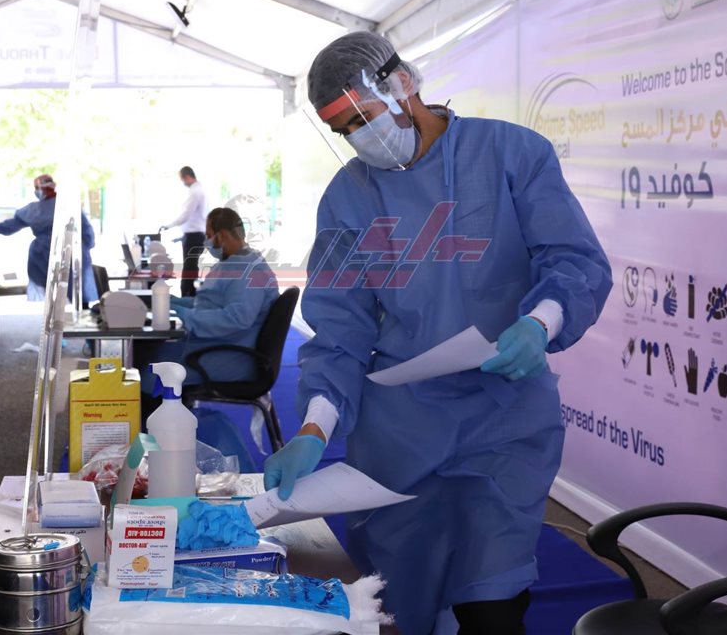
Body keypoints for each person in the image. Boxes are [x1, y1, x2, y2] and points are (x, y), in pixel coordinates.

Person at [263, 32, 612, 635]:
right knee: (401, 600)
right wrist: (314, 428)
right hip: (401, 430)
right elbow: (340, 324)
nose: (359, 137)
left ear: (402, 84)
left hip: (503, 420)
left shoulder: (510, 153)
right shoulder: (348, 199)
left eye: (363, 117)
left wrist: (540, 323)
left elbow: (573, 260)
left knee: (492, 599)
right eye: (344, 130)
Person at [136, 207, 278, 415]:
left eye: (209, 235)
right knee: (149, 355)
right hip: (218, 345)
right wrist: (172, 303)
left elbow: (236, 319)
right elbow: (209, 303)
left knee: (149, 376)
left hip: (230, 357)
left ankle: (157, 430)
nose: (207, 242)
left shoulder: (249, 270)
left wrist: (186, 315)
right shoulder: (234, 263)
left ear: (223, 235)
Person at [0, 174, 97, 305]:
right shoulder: (68, 206)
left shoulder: (34, 211)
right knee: (77, 293)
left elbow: (9, 226)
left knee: (53, 294)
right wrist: (86, 247)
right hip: (72, 251)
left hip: (43, 256)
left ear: (40, 189)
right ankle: (80, 311)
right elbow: (87, 231)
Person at [160, 166, 207, 297]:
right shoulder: (198, 190)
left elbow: (185, 215)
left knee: (189, 268)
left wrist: (169, 226)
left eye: (182, 179)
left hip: (194, 236)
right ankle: (189, 295)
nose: (183, 183)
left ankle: (187, 296)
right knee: (191, 267)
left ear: (187, 177)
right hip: (195, 235)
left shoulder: (195, 192)